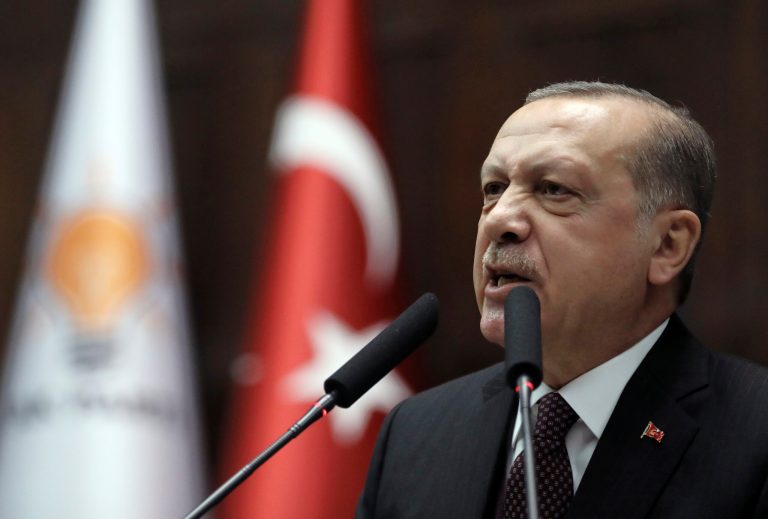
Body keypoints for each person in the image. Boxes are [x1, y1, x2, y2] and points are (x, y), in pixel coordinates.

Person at [356, 81, 768, 519]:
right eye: (494, 188)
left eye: (553, 189)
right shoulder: (417, 433)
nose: (500, 220)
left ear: (668, 244)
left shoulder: (755, 433)